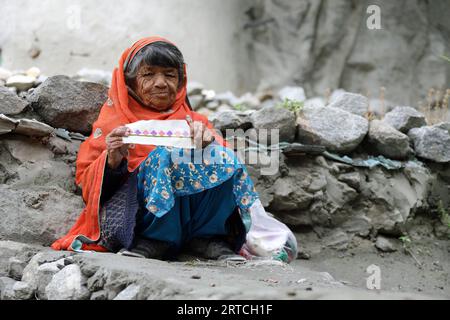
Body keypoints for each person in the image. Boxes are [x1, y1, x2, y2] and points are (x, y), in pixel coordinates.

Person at [52, 36, 297, 263]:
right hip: (139, 223)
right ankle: (157, 239)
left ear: (180, 82)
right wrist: (113, 159)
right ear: (129, 83)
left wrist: (206, 145)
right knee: (165, 154)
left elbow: (228, 167)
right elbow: (87, 185)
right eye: (148, 74)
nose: (160, 83)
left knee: (223, 157)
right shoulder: (113, 125)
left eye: (169, 75)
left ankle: (208, 239)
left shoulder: (195, 122)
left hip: (194, 224)